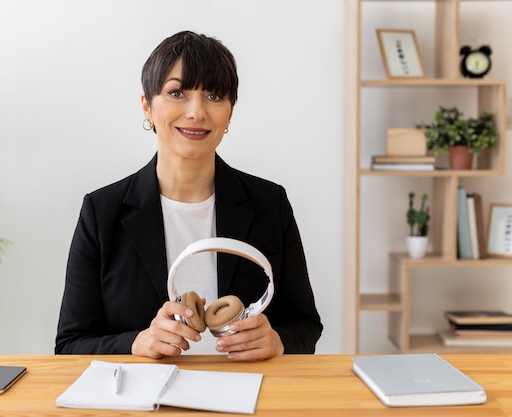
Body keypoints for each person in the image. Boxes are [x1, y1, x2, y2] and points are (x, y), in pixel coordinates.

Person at [55, 30, 322, 361]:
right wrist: (136, 343)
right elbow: (70, 345)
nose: (196, 112)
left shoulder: (270, 203)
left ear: (230, 113)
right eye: (177, 92)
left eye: (214, 96)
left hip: (248, 393)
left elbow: (306, 325)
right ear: (147, 107)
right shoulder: (101, 211)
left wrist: (278, 341)